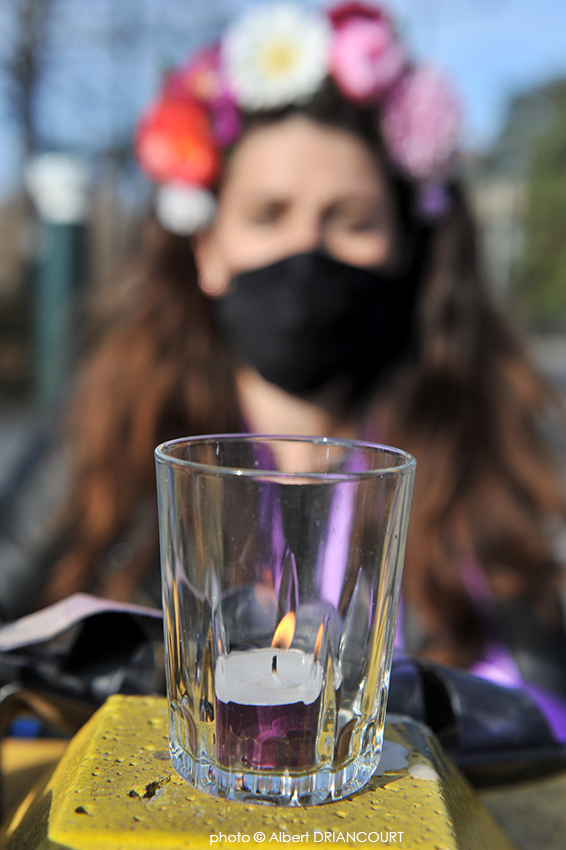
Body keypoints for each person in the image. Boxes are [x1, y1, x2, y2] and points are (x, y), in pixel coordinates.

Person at [10, 3, 566, 716]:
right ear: (206, 247)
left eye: (352, 220)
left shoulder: (508, 456)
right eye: (268, 215)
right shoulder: (96, 440)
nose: (308, 252)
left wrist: (427, 706)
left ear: (405, 249)